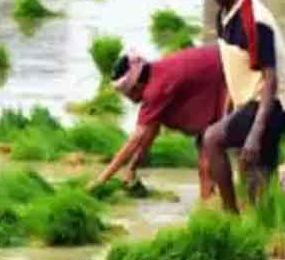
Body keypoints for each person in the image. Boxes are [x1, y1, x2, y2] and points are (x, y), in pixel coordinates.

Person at [198, 0, 285, 213]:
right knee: (256, 179)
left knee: (212, 140)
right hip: (253, 100)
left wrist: (254, 134)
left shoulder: (255, 21)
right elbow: (236, 69)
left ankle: (231, 217)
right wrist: (227, 116)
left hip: (275, 103)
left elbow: (270, 80)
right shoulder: (224, 13)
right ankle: (265, 221)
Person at [86, 45, 228, 199]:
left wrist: (101, 180)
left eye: (128, 94)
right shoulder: (157, 73)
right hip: (215, 74)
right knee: (205, 163)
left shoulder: (155, 90)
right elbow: (150, 131)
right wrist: (132, 168)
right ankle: (211, 206)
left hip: (229, 76)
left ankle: (221, 209)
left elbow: (136, 139)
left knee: (208, 162)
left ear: (137, 86)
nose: (129, 100)